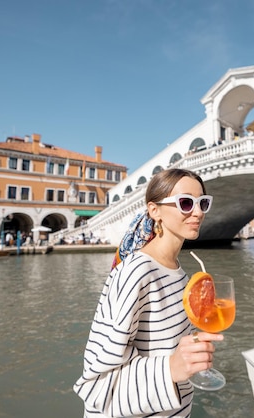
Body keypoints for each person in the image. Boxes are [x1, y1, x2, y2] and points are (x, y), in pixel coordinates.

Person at [74, 168, 222, 417]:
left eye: (202, 203)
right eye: (185, 203)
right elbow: (97, 386)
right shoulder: (137, 273)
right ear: (155, 211)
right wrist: (172, 369)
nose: (197, 212)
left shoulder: (182, 275)